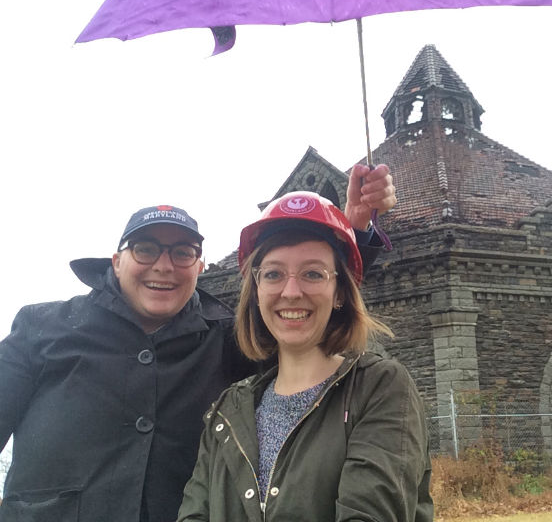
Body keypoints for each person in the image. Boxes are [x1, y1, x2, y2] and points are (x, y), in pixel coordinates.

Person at [0, 165, 396, 522]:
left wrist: (353, 234)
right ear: (116, 260)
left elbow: (301, 314)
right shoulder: (41, 328)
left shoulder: (227, 337)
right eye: (146, 248)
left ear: (200, 267)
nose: (164, 265)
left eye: (183, 253)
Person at [177, 191, 433, 522]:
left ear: (340, 291)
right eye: (273, 274)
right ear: (256, 291)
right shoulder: (229, 408)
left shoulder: (379, 388)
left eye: (313, 273)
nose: (291, 291)